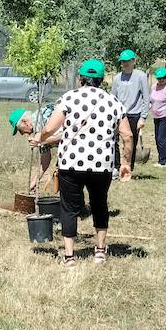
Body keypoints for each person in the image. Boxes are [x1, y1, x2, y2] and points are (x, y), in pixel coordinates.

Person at [32, 59, 127, 265]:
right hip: (102, 164)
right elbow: (127, 136)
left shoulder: (69, 98)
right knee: (99, 204)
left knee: (69, 208)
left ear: (80, 78)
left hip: (71, 163)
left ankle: (69, 256)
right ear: (102, 80)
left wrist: (39, 137)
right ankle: (100, 251)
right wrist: (126, 162)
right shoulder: (114, 102)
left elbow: (50, 128)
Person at [109, 49, 149, 180]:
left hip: (134, 114)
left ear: (133, 61)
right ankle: (116, 167)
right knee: (112, 140)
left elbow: (146, 98)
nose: (125, 63)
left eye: (127, 61)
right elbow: (113, 98)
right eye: (123, 61)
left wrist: (143, 117)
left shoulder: (141, 76)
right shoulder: (117, 78)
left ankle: (128, 169)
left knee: (130, 143)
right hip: (119, 115)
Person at [9, 106, 60, 193]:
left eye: (19, 130)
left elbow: (67, 136)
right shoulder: (37, 133)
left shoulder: (40, 118)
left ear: (25, 122)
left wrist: (40, 141)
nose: (21, 134)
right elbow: (45, 160)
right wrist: (34, 182)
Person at [148, 66, 166, 167]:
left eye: (163, 78)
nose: (161, 80)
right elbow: (151, 100)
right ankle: (160, 158)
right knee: (157, 138)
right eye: (159, 78)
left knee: (161, 139)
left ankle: (162, 161)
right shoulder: (153, 87)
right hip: (156, 116)